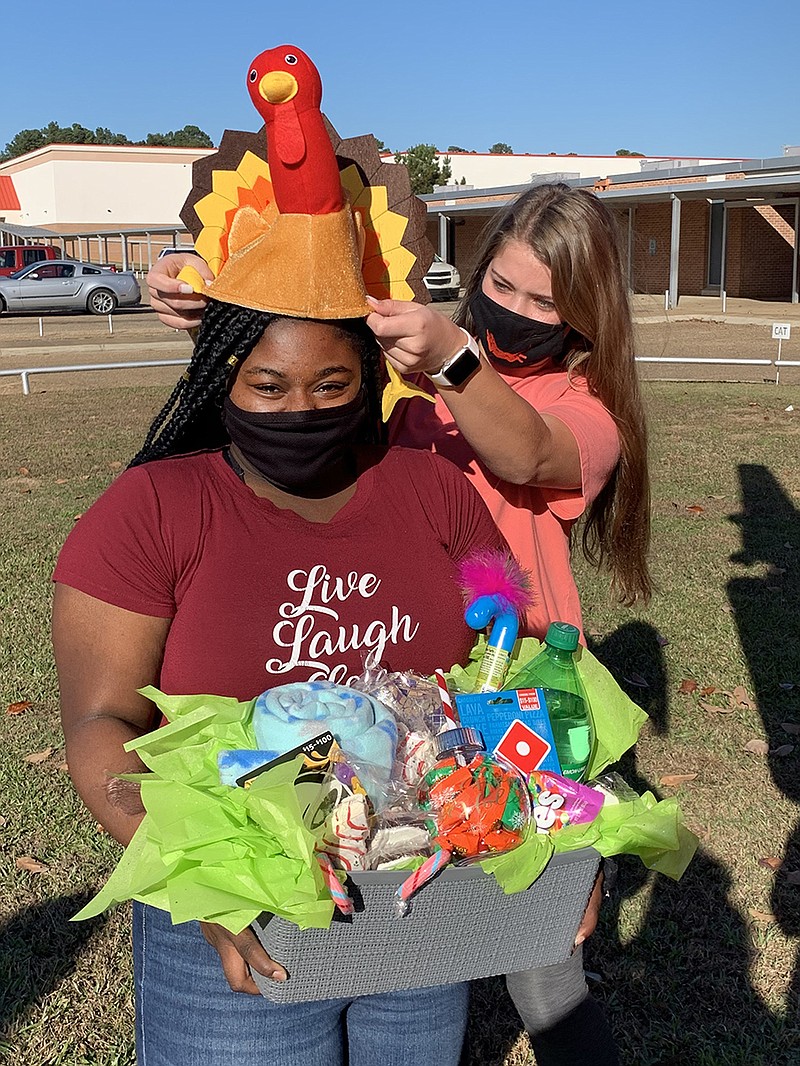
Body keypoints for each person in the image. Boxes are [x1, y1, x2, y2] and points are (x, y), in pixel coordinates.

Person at [147, 182, 650, 1065]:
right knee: (391, 893)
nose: (517, 313)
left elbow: (525, 449)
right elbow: (305, 382)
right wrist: (210, 304)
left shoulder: (585, 407)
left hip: (512, 695)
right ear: (478, 269)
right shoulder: (408, 367)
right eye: (503, 285)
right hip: (397, 683)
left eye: (546, 302)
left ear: (586, 314)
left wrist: (455, 357)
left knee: (543, 965)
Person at [52, 301, 508, 1066]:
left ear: (366, 379)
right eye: (269, 387)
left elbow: (502, 675)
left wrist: (557, 835)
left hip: (417, 892)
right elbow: (101, 726)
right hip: (238, 919)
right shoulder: (152, 509)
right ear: (222, 380)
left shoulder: (434, 490)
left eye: (330, 386)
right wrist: (212, 883)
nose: (301, 409)